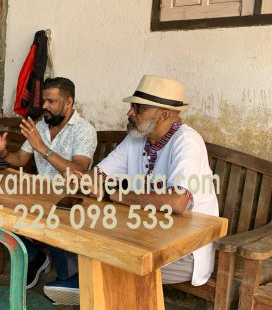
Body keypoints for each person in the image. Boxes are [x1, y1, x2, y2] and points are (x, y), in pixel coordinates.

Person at [89, 75, 219, 289]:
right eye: (132, 107)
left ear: (163, 114)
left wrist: (112, 194)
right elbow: (97, 176)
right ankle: (90, 305)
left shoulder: (187, 141)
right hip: (145, 235)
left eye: (138, 108)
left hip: (184, 249)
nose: (130, 112)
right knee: (93, 249)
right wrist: (82, 179)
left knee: (109, 263)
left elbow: (177, 202)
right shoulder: (136, 138)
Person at [0, 77, 97, 303]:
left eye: (51, 101)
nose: (44, 106)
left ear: (68, 102)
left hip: (67, 201)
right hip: (38, 195)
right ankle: (34, 256)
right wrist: (3, 153)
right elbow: (21, 158)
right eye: (43, 100)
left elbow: (78, 171)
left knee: (53, 223)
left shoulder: (84, 131)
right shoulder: (41, 125)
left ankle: (64, 280)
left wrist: (42, 148)